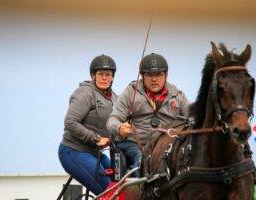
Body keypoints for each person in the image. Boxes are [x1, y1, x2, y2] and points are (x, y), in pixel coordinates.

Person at [106, 53, 189, 177]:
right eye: (149, 75)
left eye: (159, 74)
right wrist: (119, 127)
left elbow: (192, 121)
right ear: (142, 76)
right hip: (134, 144)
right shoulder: (130, 92)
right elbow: (112, 119)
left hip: (167, 146)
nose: (154, 79)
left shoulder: (178, 96)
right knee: (143, 162)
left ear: (166, 75)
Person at [58, 54, 117, 195]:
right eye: (100, 74)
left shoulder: (115, 97)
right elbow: (70, 122)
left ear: (112, 77)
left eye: (108, 74)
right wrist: (96, 139)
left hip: (95, 153)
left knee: (122, 182)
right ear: (93, 75)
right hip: (74, 151)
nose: (104, 78)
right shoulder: (85, 93)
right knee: (109, 190)